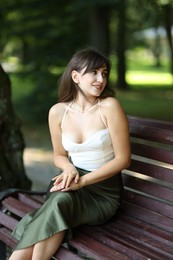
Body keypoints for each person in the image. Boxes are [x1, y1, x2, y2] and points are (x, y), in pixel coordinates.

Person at [9, 48, 131, 260]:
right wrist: (69, 167)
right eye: (93, 72)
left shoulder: (109, 107)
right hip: (70, 180)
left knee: (56, 205)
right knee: (59, 204)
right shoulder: (58, 112)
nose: (100, 79)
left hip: (103, 193)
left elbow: (123, 159)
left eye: (104, 73)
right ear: (75, 76)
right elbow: (59, 155)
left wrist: (82, 182)